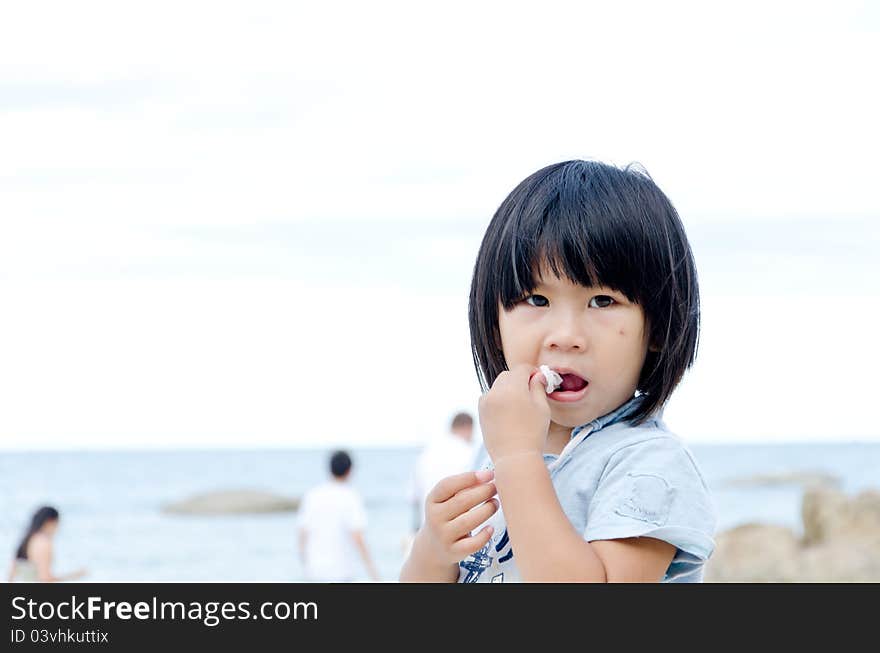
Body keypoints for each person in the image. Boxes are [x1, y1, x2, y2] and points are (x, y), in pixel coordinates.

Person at [400, 159, 716, 583]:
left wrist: (517, 458)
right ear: (495, 325)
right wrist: (432, 552)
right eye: (536, 300)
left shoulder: (649, 465)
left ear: (656, 326)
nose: (565, 336)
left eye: (602, 301)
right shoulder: (495, 454)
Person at [297, 451, 380, 582]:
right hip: (341, 572)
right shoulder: (350, 496)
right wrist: (374, 574)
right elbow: (358, 537)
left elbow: (302, 533)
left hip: (314, 571)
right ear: (349, 470)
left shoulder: (313, 495)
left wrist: (305, 562)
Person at [410, 412, 476, 532]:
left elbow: (414, 500)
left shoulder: (426, 454)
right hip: (458, 532)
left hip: (427, 533)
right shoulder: (469, 453)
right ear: (469, 428)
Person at [7, 506, 88, 583]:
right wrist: (74, 575)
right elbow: (45, 579)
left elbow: (11, 576)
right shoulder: (44, 543)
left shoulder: (26, 541)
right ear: (50, 522)